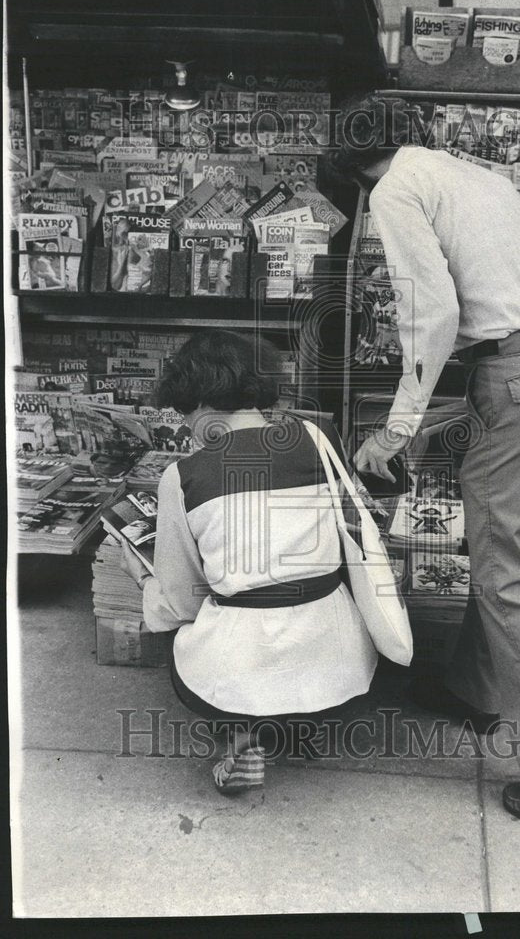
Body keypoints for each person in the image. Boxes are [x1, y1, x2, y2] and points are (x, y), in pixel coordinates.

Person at [329, 95, 520, 823]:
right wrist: (437, 415)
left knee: (504, 573)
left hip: (519, 381)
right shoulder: (473, 174)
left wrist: (394, 432)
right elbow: (499, 310)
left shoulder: (395, 188)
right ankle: (473, 689)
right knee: (504, 545)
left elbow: (433, 317)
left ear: (353, 169)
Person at [120, 330, 377, 794]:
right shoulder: (316, 438)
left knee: (185, 631)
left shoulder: (183, 477)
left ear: (198, 402)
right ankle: (299, 719)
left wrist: (141, 577)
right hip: (338, 660)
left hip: (243, 665)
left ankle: (242, 734)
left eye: (186, 415)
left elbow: (181, 601)